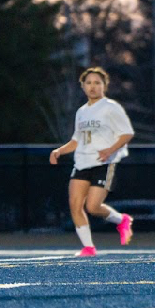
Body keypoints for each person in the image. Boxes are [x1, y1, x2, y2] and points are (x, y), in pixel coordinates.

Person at [50, 67, 135, 257]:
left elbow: (127, 133)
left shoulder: (111, 107)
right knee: (75, 205)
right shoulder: (81, 112)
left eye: (97, 82)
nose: (93, 86)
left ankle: (121, 220)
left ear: (104, 85)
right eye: (88, 83)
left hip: (103, 163)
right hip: (81, 163)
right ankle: (88, 247)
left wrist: (109, 150)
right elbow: (76, 140)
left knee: (93, 207)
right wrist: (59, 151)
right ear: (82, 86)